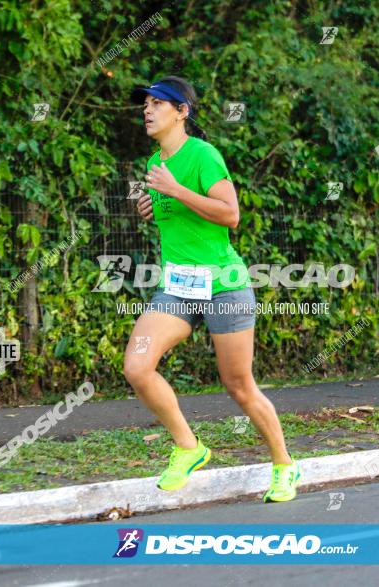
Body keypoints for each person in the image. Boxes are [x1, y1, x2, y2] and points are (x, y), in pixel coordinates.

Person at [124, 76, 302, 502]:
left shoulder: (203, 155)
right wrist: (151, 207)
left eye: (157, 103)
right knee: (137, 366)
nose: (147, 110)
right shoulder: (154, 164)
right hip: (180, 287)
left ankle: (284, 465)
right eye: (145, 104)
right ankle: (189, 446)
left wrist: (177, 191)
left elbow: (230, 214)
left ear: (181, 111)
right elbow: (179, 216)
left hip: (224, 286)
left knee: (238, 385)